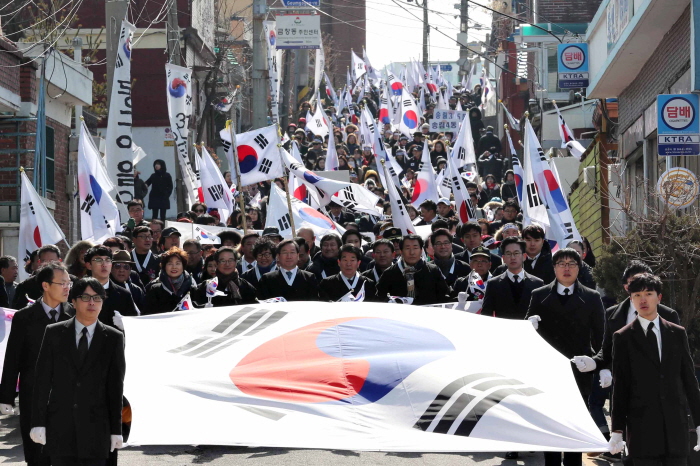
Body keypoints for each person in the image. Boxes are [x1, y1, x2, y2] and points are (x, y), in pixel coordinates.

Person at [30, 277, 126, 466]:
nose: (92, 303)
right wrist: (38, 422)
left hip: (97, 429)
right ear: (73, 301)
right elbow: (42, 381)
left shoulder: (113, 338)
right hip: (60, 426)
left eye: (97, 298)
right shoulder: (54, 333)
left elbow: (116, 387)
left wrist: (117, 429)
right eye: (85, 297)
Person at [608, 273, 700, 464]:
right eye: (637, 295)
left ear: (659, 297)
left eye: (648, 293)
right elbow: (621, 385)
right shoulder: (623, 337)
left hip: (676, 429)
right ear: (631, 300)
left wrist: (699, 423)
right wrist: (617, 430)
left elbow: (689, 380)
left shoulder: (676, 333)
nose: (643, 300)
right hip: (642, 430)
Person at [526, 248, 604, 466]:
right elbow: (527, 334)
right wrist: (528, 326)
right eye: (561, 263)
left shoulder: (591, 296)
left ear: (579, 268)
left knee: (574, 427)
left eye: (572, 263)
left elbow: (600, 337)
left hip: (579, 370)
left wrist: (602, 364)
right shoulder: (539, 295)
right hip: (548, 370)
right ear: (554, 268)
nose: (566, 268)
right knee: (551, 426)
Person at [0, 263, 74, 466]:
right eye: (62, 283)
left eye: (69, 283)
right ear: (46, 285)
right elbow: (13, 358)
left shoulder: (76, 316)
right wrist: (6, 396)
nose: (67, 287)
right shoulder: (24, 317)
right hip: (32, 397)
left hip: (67, 398)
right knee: (36, 455)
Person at [375, 234, 450, 305]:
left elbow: (444, 296)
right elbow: (380, 298)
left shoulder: (433, 271)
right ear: (401, 251)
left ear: (421, 250)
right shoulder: (389, 273)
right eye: (407, 248)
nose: (412, 252)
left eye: (415, 248)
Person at [481, 237, 543, 320]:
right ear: (503, 258)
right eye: (508, 254)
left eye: (516, 253)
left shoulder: (537, 283)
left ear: (524, 256)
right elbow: (486, 315)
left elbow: (543, 313)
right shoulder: (493, 284)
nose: (513, 257)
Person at [83, 246, 139, 329]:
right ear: (89, 265)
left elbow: (134, 327)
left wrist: (126, 324)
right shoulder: (79, 291)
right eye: (98, 260)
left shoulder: (124, 295)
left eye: (107, 260)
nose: (104, 264)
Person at [192, 247, 257, 307]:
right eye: (223, 261)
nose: (227, 264)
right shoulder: (206, 286)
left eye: (231, 260)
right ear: (217, 263)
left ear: (236, 262)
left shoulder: (245, 286)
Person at [144, 247, 199, 314]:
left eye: (178, 263)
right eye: (170, 264)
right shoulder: (155, 289)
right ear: (164, 266)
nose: (174, 267)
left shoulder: (191, 287)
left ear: (183, 266)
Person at [13, 245, 64, 310]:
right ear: (39, 262)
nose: (48, 264)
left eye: (52, 261)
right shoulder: (26, 285)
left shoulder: (71, 283)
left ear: (59, 261)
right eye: (44, 261)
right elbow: (18, 311)